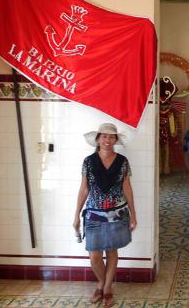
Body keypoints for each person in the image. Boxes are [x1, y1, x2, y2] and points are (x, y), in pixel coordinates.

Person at [73, 123, 137, 307]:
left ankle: (107, 288)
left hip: (118, 214)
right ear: (98, 139)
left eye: (111, 137)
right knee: (94, 255)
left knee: (112, 251)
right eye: (104, 136)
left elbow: (127, 187)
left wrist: (133, 213)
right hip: (94, 214)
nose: (107, 140)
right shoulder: (88, 161)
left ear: (115, 140)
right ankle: (101, 282)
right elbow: (84, 189)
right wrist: (76, 215)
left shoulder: (123, 161)